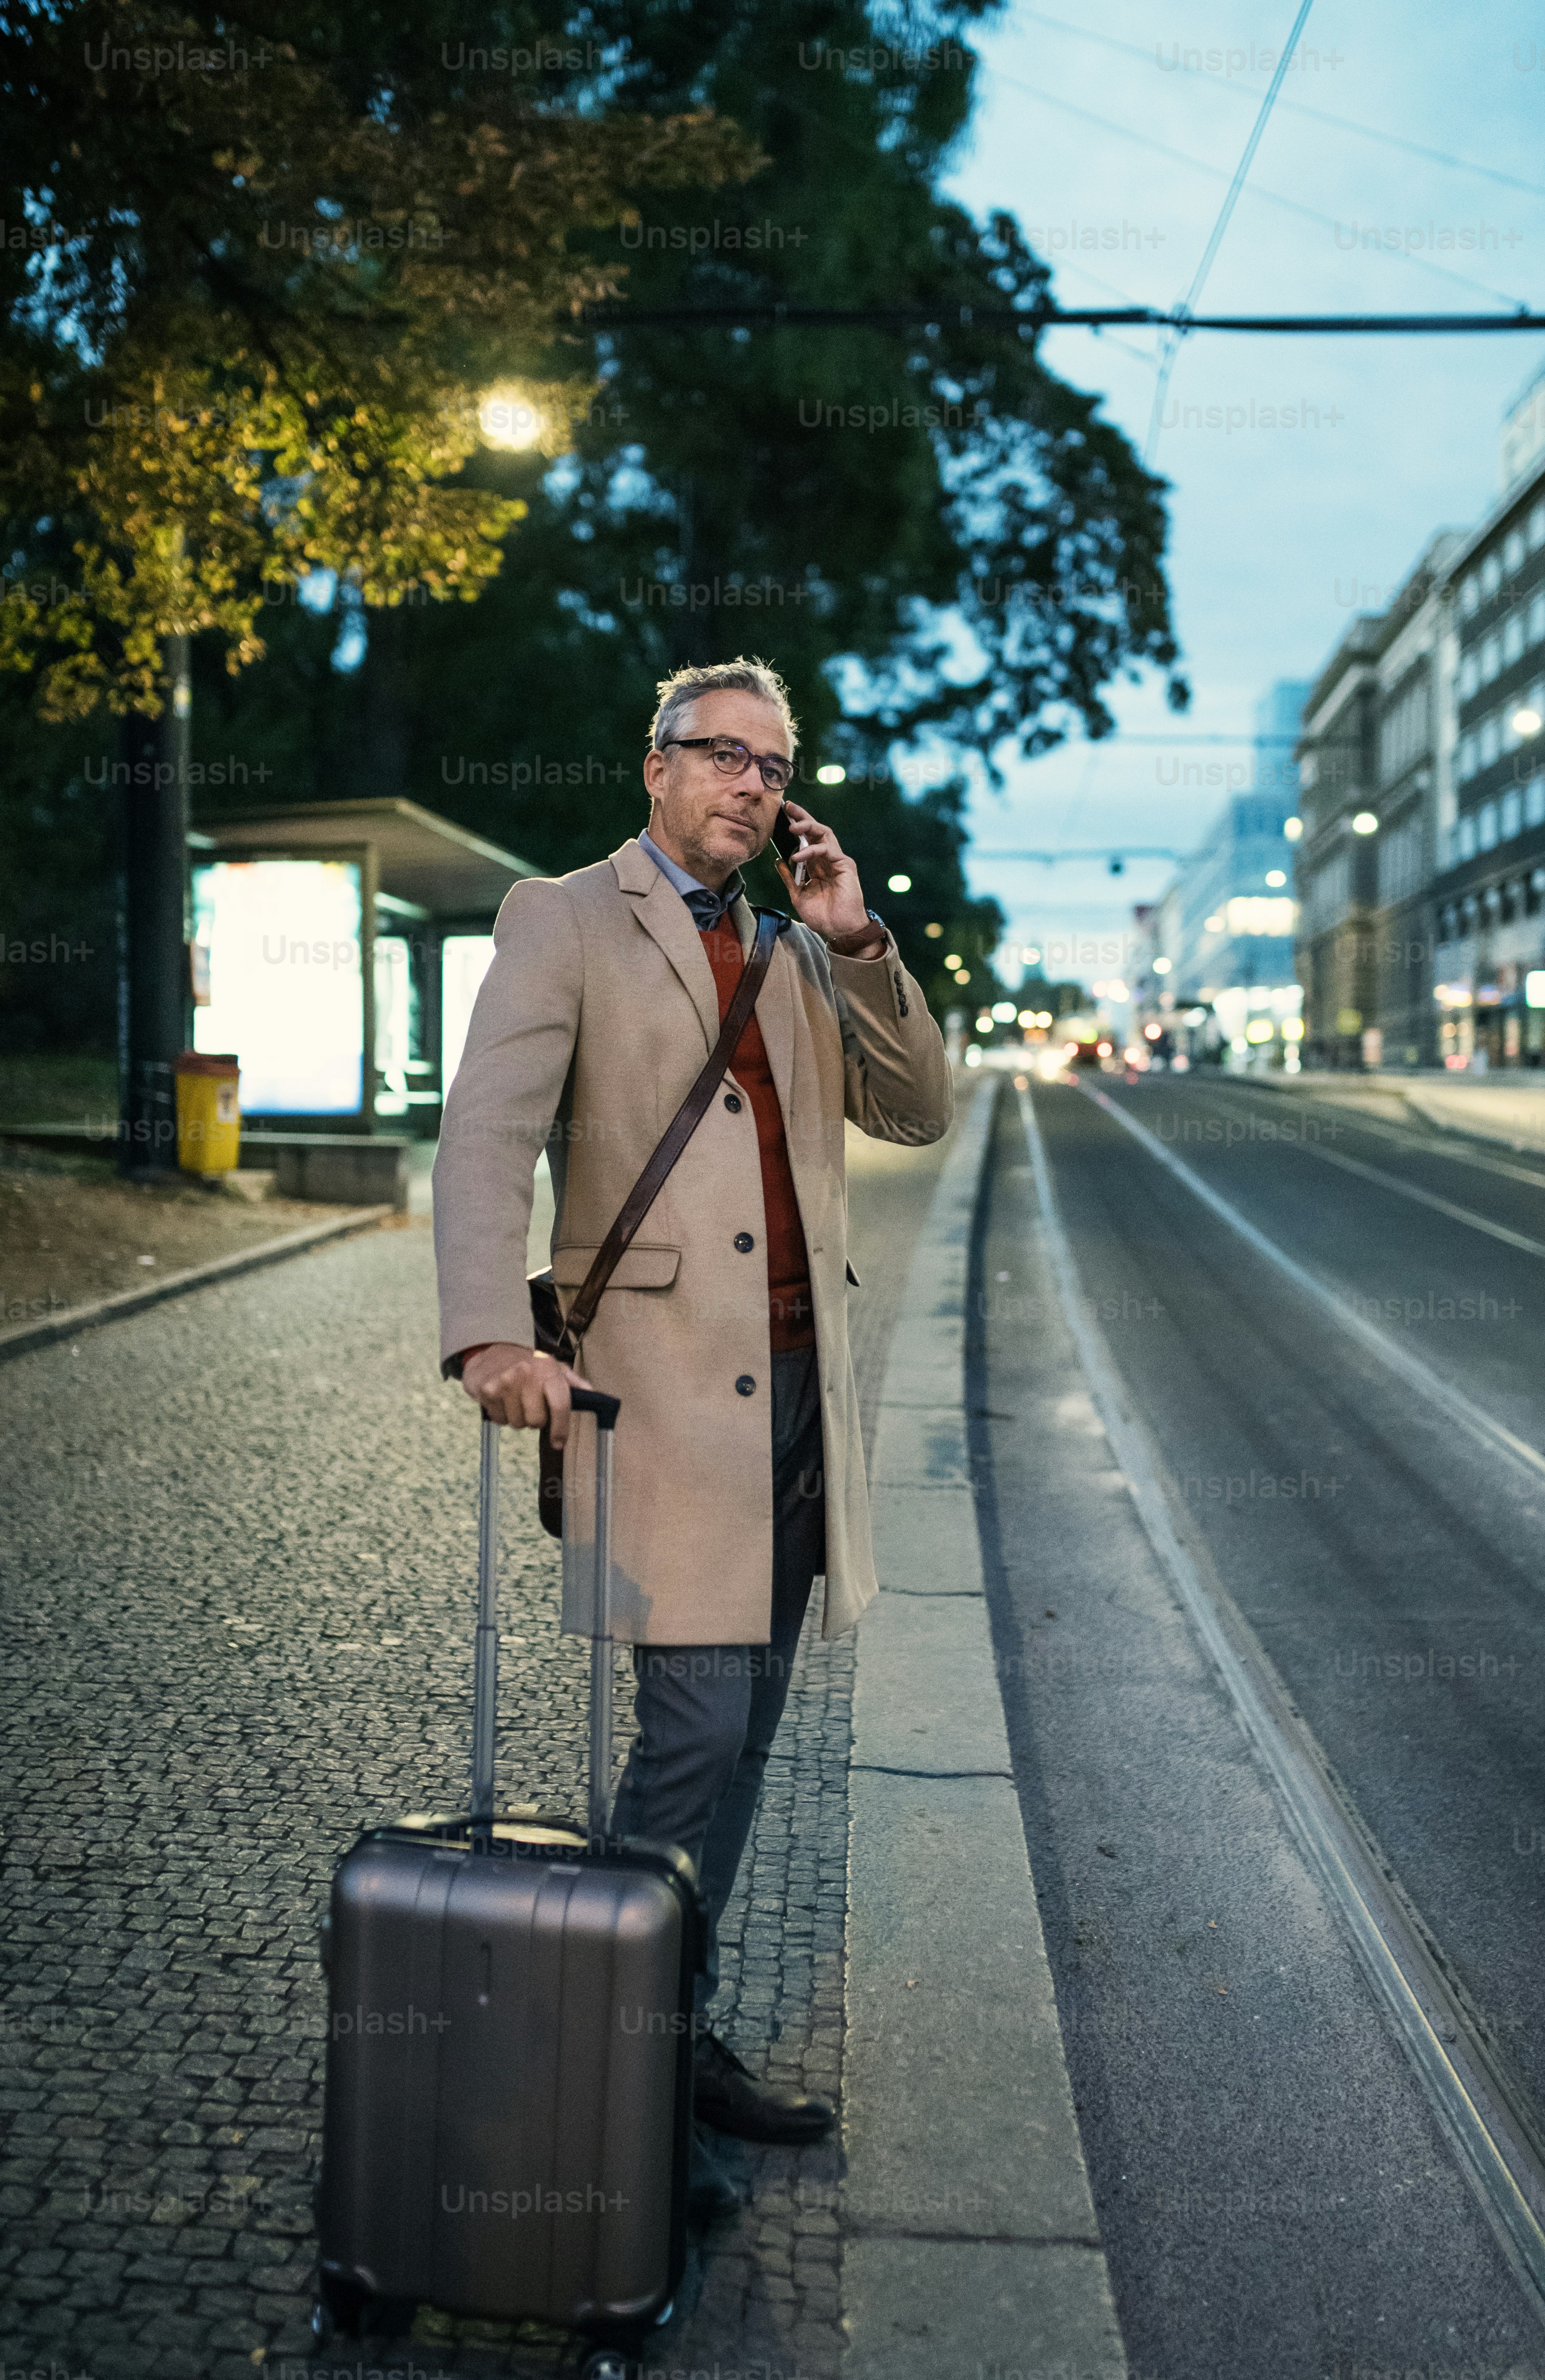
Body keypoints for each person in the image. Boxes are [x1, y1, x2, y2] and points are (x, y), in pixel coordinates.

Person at [431, 656, 952, 2206]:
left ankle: (672, 2030)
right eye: (719, 752)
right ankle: (609, 2081)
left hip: (796, 1405)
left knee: (745, 1746)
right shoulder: (564, 916)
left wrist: (859, 936)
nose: (750, 780)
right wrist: (484, 1331)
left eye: (773, 760)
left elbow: (919, 1107)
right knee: (692, 1739)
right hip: (651, 1397)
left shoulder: (802, 949)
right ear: (652, 765)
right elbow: (486, 1136)